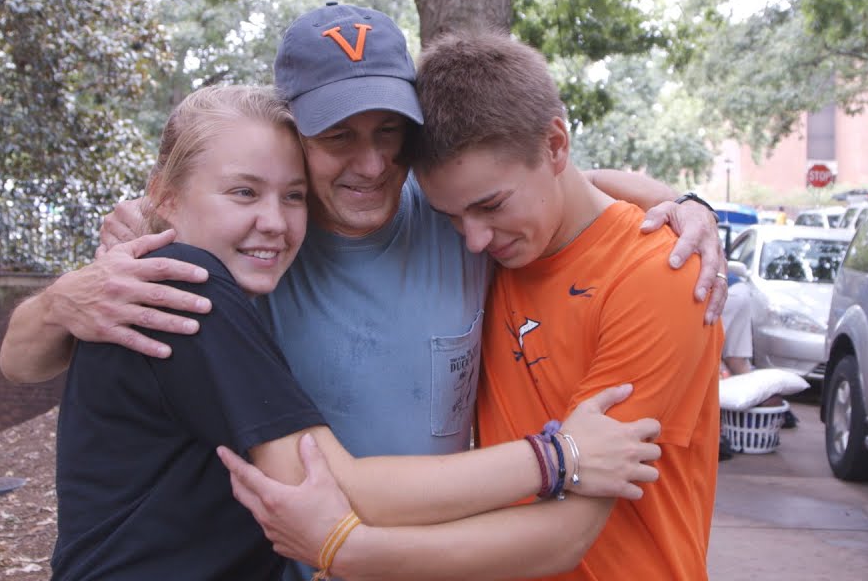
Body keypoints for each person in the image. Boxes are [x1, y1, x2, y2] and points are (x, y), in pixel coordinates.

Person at [0, 3, 728, 577]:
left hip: (438, 566)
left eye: (390, 134)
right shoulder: (255, 244)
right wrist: (61, 299)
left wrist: (689, 206)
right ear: (298, 139)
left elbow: (559, 192)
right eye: (338, 138)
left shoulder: (457, 219)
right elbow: (21, 363)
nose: (372, 164)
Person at [221, 30, 723, 580]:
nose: (475, 240)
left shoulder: (664, 272)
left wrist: (343, 548)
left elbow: (568, 534)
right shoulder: (504, 244)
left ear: (557, 146)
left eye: (489, 206)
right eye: (454, 216)